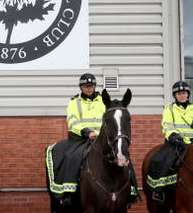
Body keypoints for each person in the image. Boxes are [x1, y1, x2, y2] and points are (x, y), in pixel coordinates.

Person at [45, 73, 140, 206]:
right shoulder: (74, 102)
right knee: (72, 156)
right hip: (80, 138)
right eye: (86, 86)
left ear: (95, 86)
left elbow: (108, 120)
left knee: (122, 155)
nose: (89, 88)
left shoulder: (103, 101)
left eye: (91, 86)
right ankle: (68, 191)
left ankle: (131, 189)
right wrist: (87, 132)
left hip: (101, 138)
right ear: (81, 87)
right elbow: (72, 121)